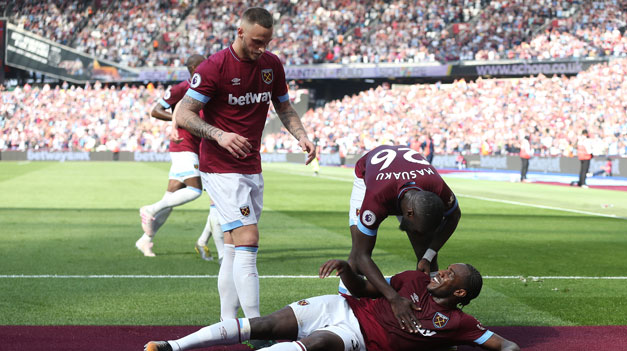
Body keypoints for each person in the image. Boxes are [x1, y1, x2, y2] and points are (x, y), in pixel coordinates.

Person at [173, 7, 316, 321]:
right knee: (249, 239)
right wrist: (218, 135)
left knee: (234, 245)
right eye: (256, 41)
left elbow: (284, 106)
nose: (261, 48)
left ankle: (228, 321)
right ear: (239, 33)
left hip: (251, 167)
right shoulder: (214, 67)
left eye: (266, 42)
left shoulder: (271, 65)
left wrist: (301, 135)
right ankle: (255, 325)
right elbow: (182, 114)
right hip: (220, 167)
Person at [144, 259, 531, 351]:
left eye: (449, 276)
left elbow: (502, 341)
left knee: (314, 346)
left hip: (358, 339)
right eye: (444, 268)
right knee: (263, 324)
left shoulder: (460, 325)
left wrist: (506, 350)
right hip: (341, 306)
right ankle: (173, 346)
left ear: (459, 293)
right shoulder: (412, 278)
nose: (439, 273)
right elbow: (363, 288)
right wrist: (347, 269)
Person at [347, 144, 461, 333]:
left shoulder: (438, 187)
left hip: (410, 182)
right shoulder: (376, 198)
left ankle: (431, 313)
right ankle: (346, 304)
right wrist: (394, 298)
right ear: (407, 214)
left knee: (425, 249)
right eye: (417, 229)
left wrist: (429, 255)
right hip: (368, 176)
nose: (418, 233)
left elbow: (454, 216)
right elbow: (362, 255)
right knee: (357, 248)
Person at [136, 54, 223, 260]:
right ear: (194, 69)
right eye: (204, 65)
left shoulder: (207, 89)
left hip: (197, 146)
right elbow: (156, 111)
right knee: (194, 190)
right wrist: (179, 120)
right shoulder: (183, 88)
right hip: (183, 145)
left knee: (171, 199)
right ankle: (150, 209)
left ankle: (145, 240)